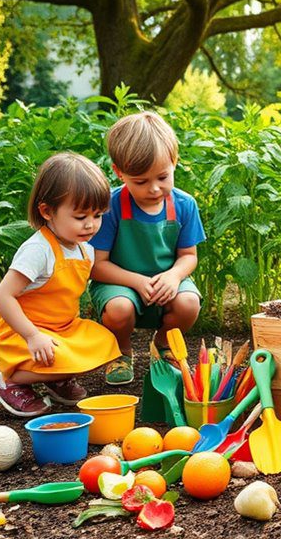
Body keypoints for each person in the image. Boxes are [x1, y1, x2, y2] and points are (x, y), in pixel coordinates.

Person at [0, 153, 120, 417]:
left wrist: (143, 281)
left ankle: (55, 379)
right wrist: (32, 335)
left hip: (63, 329)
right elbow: (2, 297)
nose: (91, 224)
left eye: (97, 215)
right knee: (61, 357)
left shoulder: (84, 249)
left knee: (104, 343)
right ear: (47, 211)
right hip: (24, 332)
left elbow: (98, 274)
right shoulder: (39, 249)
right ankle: (9, 380)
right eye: (81, 216)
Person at [90, 112, 205, 385]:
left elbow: (188, 257)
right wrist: (138, 281)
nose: (154, 189)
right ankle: (120, 350)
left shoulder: (184, 205)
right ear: (119, 172)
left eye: (163, 177)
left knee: (189, 303)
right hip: (121, 284)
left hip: (167, 283)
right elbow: (97, 265)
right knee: (119, 309)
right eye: (140, 181)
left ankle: (163, 343)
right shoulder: (112, 206)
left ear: (174, 162)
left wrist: (174, 276)